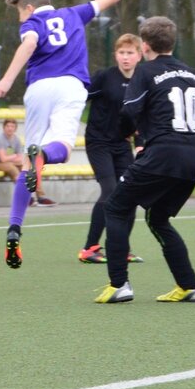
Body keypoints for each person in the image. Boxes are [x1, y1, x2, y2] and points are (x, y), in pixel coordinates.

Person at [0, 0, 123, 270]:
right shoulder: (74, 13)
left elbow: (30, 44)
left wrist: (6, 80)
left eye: (19, 12)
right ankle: (44, 156)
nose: (19, 18)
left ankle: (14, 229)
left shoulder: (31, 24)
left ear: (29, 8)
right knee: (60, 149)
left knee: (27, 165)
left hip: (38, 89)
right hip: (70, 87)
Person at [93, 17, 195, 303]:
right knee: (158, 218)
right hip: (190, 161)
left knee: (115, 207)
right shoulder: (191, 74)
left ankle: (119, 284)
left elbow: (129, 112)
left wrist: (125, 134)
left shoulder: (144, 72)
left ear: (144, 46)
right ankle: (189, 286)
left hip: (162, 155)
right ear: (173, 43)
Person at [78, 34, 143, 263]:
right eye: (121, 52)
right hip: (98, 143)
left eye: (130, 53)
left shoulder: (142, 81)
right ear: (115, 54)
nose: (125, 57)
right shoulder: (104, 77)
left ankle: (121, 249)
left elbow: (141, 116)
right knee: (110, 191)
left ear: (139, 55)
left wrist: (140, 144)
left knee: (130, 194)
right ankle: (89, 249)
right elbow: (79, 99)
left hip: (122, 145)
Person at [0, 118, 53, 207]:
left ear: (15, 128)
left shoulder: (16, 139)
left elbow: (20, 157)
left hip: (11, 162)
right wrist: (14, 156)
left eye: (12, 126)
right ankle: (26, 197)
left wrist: (14, 157)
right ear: (4, 127)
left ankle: (40, 196)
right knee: (13, 169)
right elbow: (3, 159)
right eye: (8, 126)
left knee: (31, 168)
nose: (10, 128)